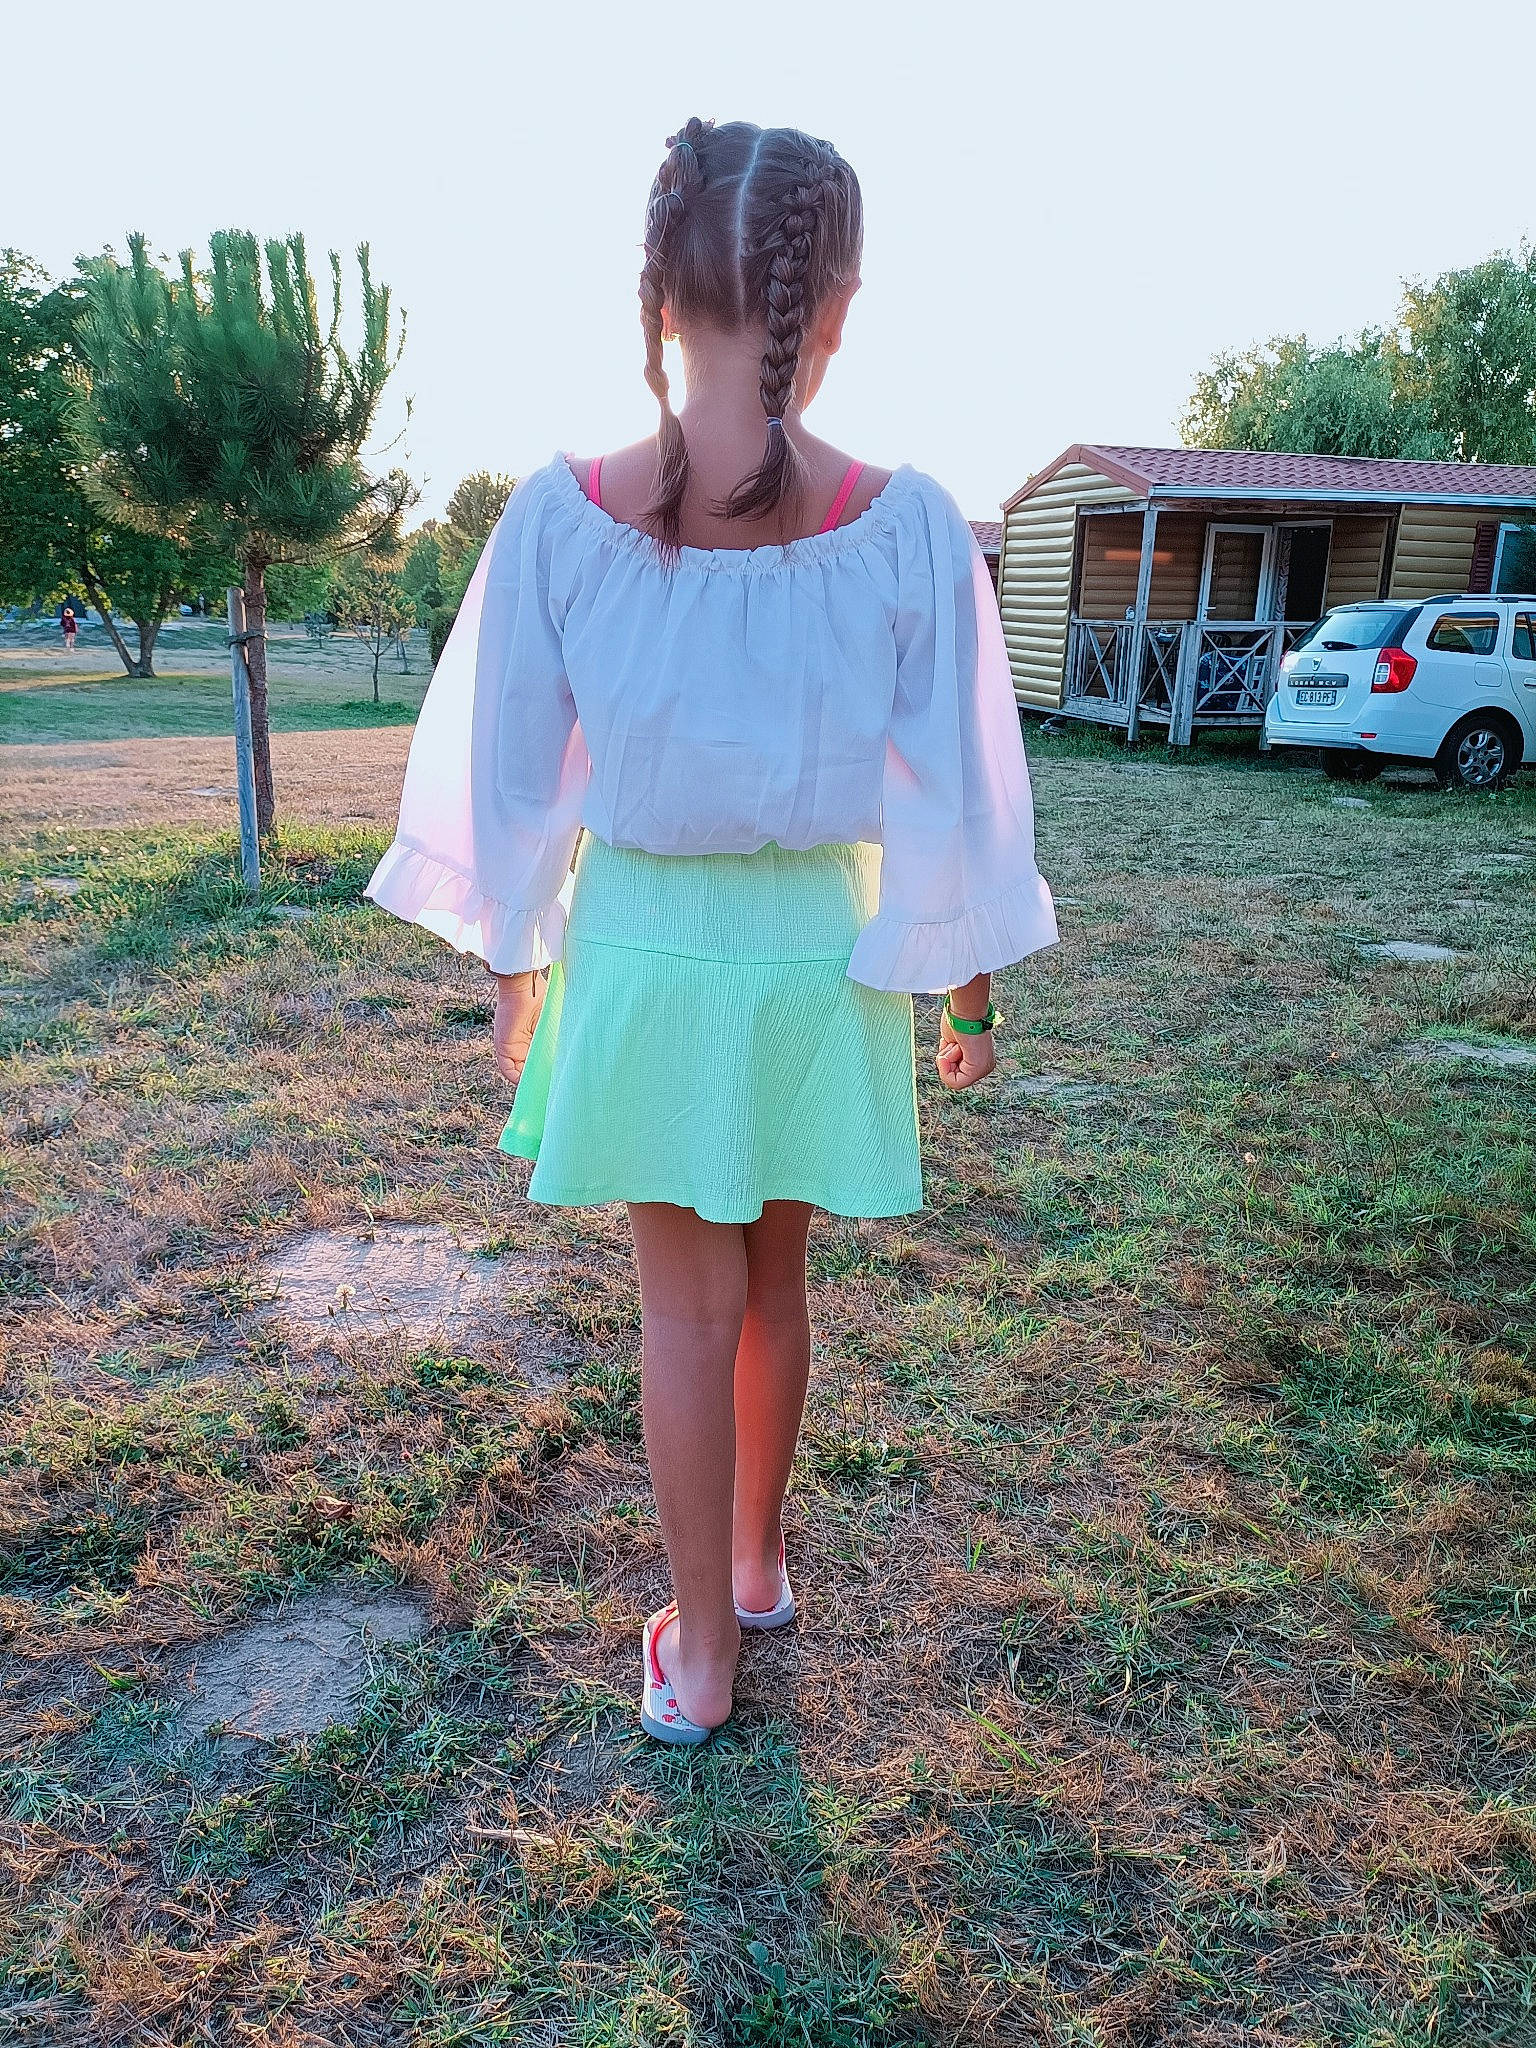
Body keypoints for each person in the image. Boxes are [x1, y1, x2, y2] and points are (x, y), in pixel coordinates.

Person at [366, 118, 1057, 1744]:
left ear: (659, 299)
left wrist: (520, 963)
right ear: (839, 308)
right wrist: (966, 995)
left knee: (686, 1309)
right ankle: (748, 1568)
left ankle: (710, 1660)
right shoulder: (906, 529)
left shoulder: (562, 520)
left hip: (654, 954)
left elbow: (512, 776)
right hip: (825, 952)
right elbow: (959, 798)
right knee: (774, 1288)